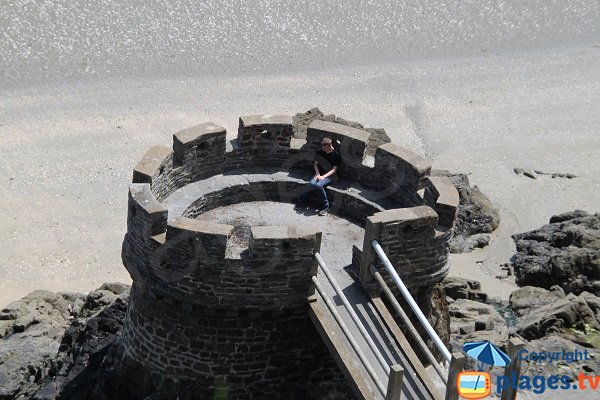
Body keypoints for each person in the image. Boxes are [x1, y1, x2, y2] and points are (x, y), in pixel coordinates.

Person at [295, 137, 341, 216]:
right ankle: (302, 201)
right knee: (311, 184)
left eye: (325, 148)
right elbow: (315, 164)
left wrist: (323, 177)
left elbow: (334, 170)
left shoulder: (336, 155)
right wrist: (317, 173)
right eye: (322, 147)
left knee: (318, 185)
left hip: (330, 176)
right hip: (319, 173)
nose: (324, 150)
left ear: (330, 146)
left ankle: (326, 207)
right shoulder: (319, 152)